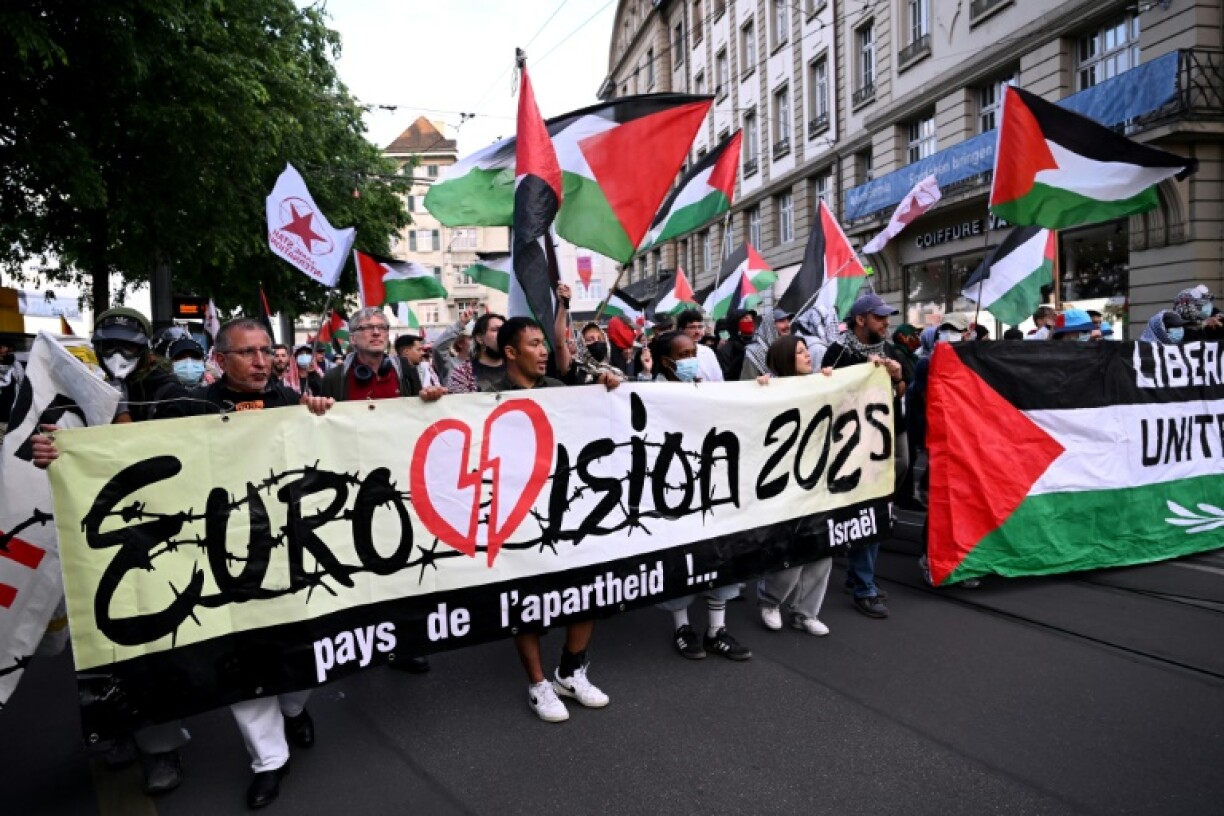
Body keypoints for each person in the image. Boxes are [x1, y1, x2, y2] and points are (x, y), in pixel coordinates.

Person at [481, 317, 611, 723]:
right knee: (527, 600)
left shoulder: (558, 391)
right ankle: (538, 683)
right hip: (517, 516)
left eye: (544, 344)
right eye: (535, 344)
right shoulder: (485, 397)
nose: (544, 352)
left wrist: (608, 391)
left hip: (567, 509)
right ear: (510, 353)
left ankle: (571, 671)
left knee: (585, 590)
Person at [650, 330, 752, 659]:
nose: (692, 359)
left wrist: (763, 391)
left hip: (713, 487)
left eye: (694, 352)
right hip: (673, 492)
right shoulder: (647, 394)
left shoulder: (707, 390)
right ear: (666, 363)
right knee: (680, 557)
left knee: (719, 551)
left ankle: (716, 629)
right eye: (683, 356)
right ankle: (682, 627)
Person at [821, 294, 907, 619]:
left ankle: (858, 577)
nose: (886, 323)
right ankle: (864, 589)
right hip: (856, 446)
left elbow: (900, 392)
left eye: (886, 317)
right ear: (860, 320)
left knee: (878, 510)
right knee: (866, 513)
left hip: (885, 441)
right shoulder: (838, 352)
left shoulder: (889, 350)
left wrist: (897, 377)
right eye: (879, 317)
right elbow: (826, 397)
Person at [755, 335, 835, 636]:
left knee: (822, 546)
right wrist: (759, 390)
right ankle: (771, 600)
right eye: (800, 353)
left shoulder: (819, 383)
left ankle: (806, 611)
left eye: (806, 351)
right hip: (784, 480)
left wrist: (831, 381)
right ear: (786, 359)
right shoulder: (770, 388)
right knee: (789, 545)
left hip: (819, 477)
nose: (807, 356)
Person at [907, 314, 980, 590]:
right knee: (941, 502)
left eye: (959, 330)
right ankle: (931, 558)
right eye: (947, 330)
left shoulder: (970, 360)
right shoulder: (927, 362)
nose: (953, 334)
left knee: (964, 502)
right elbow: (929, 403)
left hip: (965, 442)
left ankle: (961, 560)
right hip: (941, 442)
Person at [447, 312, 505, 394]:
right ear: (480, 339)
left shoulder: (518, 367)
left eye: (504, 330)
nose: (502, 334)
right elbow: (458, 404)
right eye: (495, 330)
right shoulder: (464, 373)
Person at [676, 309, 724, 382]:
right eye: (692, 327)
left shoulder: (707, 351)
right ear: (681, 329)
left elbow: (718, 379)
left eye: (700, 327)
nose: (697, 331)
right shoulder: (674, 352)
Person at [716, 308, 756, 381]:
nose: (750, 320)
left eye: (751, 318)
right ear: (735, 323)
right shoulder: (725, 349)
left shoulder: (757, 343)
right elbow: (726, 377)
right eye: (746, 318)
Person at [0, 335, 26, 438]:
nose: (6, 352)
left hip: (13, 421)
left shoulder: (17, 368)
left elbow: (23, 388)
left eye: (8, 349)